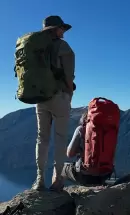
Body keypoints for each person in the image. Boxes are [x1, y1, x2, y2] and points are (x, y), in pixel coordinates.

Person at [32, 15, 75, 191]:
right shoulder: (63, 47)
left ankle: (39, 180)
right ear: (56, 29)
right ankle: (57, 181)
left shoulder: (35, 47)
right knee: (60, 139)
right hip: (59, 96)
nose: (63, 32)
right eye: (62, 29)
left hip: (40, 98)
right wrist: (69, 92)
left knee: (42, 138)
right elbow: (68, 75)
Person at [61, 112, 113, 185]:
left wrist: (80, 151)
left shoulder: (81, 129)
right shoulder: (108, 130)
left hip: (85, 174)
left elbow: (69, 154)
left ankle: (56, 190)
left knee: (58, 167)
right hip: (105, 174)